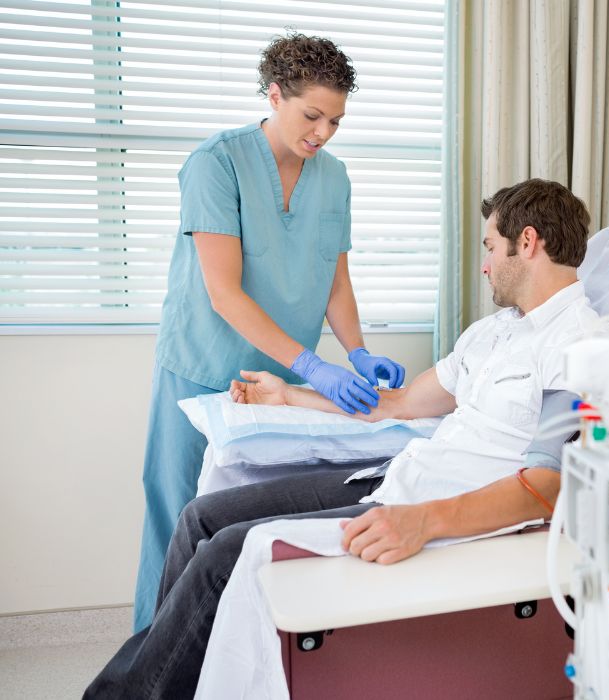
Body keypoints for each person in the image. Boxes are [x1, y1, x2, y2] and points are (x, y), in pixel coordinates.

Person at [86, 178, 609, 698]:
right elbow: (399, 403)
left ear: (527, 241)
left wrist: (425, 520)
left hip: (433, 507)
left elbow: (546, 485)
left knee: (222, 557)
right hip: (399, 477)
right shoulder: (493, 332)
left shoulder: (580, 344)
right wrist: (290, 395)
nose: (485, 265)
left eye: (491, 247)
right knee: (199, 517)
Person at [133, 33, 406, 632]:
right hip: (201, 363)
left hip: (275, 379)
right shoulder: (216, 164)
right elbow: (224, 292)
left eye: (336, 121)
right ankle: (152, 651)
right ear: (275, 95)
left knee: (246, 520)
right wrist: (314, 366)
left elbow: (335, 282)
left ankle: (231, 653)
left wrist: (357, 352)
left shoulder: (333, 178)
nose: (323, 133)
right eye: (312, 116)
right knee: (178, 512)